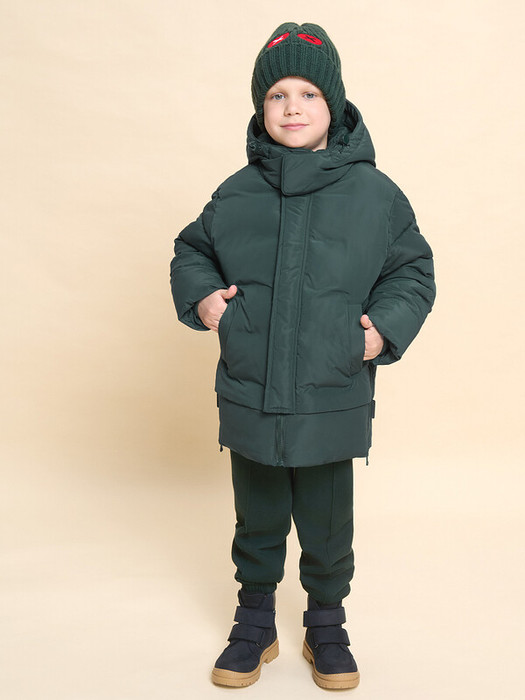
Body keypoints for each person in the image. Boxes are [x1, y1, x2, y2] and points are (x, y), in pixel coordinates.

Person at [170, 22, 436, 690]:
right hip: (250, 387)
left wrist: (378, 333)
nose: (292, 107)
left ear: (333, 104)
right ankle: (254, 621)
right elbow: (192, 250)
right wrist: (207, 301)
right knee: (256, 516)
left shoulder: (375, 195)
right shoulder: (237, 192)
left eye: (308, 94)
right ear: (261, 107)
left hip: (332, 388)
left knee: (326, 522)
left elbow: (412, 271)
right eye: (277, 95)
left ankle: (326, 623)